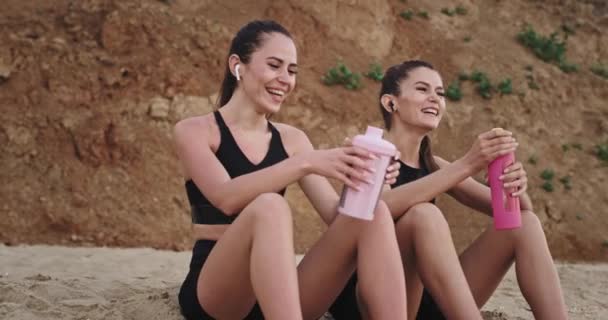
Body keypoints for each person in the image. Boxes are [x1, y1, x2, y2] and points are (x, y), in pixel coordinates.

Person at [174, 20, 407, 320]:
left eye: (292, 71)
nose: (285, 79)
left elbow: (338, 218)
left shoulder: (293, 139)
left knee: (376, 213)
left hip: (277, 293)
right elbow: (225, 198)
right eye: (274, 65)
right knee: (270, 206)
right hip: (219, 292)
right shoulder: (195, 131)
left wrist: (367, 178)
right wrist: (305, 162)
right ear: (237, 66)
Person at [330, 60, 568, 320]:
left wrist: (514, 185)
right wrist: (467, 164)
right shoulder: (370, 152)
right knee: (424, 215)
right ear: (391, 103)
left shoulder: (433, 164)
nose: (435, 98)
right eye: (422, 89)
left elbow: (517, 214)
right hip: (374, 302)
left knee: (526, 224)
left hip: (428, 298)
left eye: (440, 93)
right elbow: (379, 207)